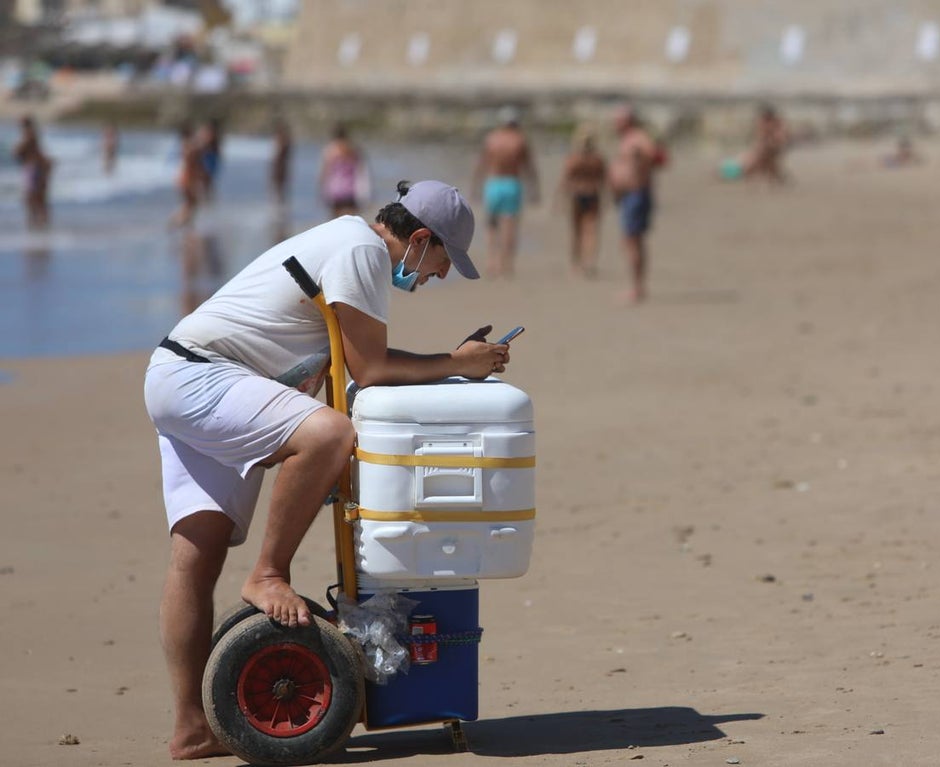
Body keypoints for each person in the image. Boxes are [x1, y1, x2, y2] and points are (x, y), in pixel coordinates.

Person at [144, 179, 509, 760]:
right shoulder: (363, 249)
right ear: (419, 239)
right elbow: (371, 369)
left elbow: (355, 366)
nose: (438, 276)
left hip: (176, 371)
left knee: (196, 554)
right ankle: (267, 573)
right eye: (443, 261)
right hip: (203, 377)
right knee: (330, 433)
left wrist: (451, 364)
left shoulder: (346, 241)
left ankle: (192, 728)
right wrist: (458, 364)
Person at [471, 106, 540, 278]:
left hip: (494, 183)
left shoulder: (492, 139)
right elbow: (529, 167)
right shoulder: (520, 140)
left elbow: (482, 164)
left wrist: (476, 187)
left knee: (491, 225)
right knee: (510, 225)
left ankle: (491, 262)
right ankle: (507, 264)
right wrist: (534, 189)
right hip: (512, 183)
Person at [608, 104, 663, 304]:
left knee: (633, 241)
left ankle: (637, 288)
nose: (614, 124)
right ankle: (636, 286)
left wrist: (642, 158)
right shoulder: (626, 139)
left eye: (617, 120)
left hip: (637, 194)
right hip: (627, 195)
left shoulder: (638, 137)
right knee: (630, 241)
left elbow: (657, 156)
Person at [556, 127, 607, 277]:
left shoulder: (574, 158)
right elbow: (603, 180)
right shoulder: (597, 159)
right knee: (591, 230)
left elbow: (565, 179)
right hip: (592, 194)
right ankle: (589, 262)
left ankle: (576, 264)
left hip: (577, 194)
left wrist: (559, 198)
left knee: (577, 231)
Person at [318, 123, 369, 218]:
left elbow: (325, 173)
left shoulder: (330, 150)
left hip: (335, 190)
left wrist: (322, 191)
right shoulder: (353, 149)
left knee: (335, 220)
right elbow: (361, 171)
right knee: (351, 219)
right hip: (350, 190)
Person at [12, 115, 53, 230]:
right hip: (34, 167)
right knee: (37, 196)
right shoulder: (31, 135)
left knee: (32, 196)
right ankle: (39, 220)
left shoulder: (29, 134)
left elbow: (20, 150)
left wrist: (16, 151)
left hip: (33, 168)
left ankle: (35, 220)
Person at [741, 105, 790, 184]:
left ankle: (777, 178)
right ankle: (777, 178)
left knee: (768, 164)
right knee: (767, 164)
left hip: (772, 147)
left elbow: (781, 135)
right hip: (767, 147)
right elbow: (762, 136)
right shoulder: (763, 122)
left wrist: (775, 142)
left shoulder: (776, 122)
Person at [171, 122, 205, 228]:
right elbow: (196, 154)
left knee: (192, 204)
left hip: (186, 178)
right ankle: (177, 222)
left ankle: (184, 224)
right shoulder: (189, 146)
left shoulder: (186, 145)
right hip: (187, 178)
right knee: (190, 204)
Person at [198, 117, 224, 201]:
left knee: (207, 177)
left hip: (210, 157)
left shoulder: (213, 134)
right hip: (209, 157)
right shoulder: (212, 133)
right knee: (206, 178)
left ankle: (207, 196)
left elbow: (208, 145)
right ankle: (206, 196)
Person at [269, 120, 292, 205]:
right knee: (279, 191)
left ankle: (279, 208)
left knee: (279, 191)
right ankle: (279, 208)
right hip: (282, 168)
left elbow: (276, 157)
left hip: (280, 169)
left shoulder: (282, 142)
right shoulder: (286, 142)